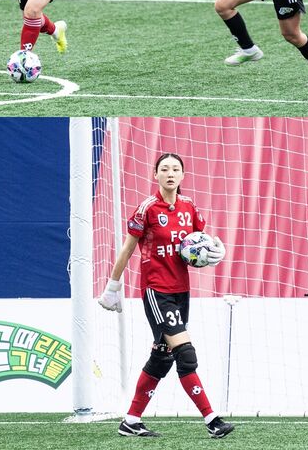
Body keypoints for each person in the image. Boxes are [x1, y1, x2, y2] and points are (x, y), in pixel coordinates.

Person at [99, 149, 231, 440]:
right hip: (157, 291)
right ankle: (212, 420)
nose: (170, 173)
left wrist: (215, 253)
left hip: (182, 290)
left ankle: (130, 421)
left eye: (175, 169)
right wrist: (113, 287)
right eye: (164, 169)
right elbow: (128, 249)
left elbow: (198, 245)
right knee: (186, 354)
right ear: (155, 174)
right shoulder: (147, 209)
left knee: (162, 357)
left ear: (183, 175)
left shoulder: (189, 207)